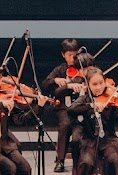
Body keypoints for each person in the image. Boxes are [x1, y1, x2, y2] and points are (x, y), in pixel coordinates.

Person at [67, 66, 118, 175]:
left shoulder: (112, 100)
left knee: (114, 161)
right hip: (89, 140)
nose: (98, 87)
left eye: (101, 83)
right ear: (87, 85)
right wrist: (92, 106)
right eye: (94, 84)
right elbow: (71, 109)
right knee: (86, 163)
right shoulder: (85, 100)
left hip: (108, 140)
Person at [40, 38, 88, 172]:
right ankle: (60, 160)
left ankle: (78, 160)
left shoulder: (83, 68)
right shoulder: (60, 70)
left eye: (75, 54)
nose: (73, 58)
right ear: (63, 55)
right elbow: (45, 85)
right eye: (69, 55)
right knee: (65, 125)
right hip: (64, 108)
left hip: (81, 108)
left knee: (78, 133)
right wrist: (56, 80)